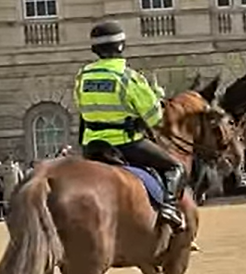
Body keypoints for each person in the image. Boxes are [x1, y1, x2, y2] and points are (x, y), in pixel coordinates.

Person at [76, 20, 186, 228]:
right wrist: (156, 96)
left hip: (91, 146)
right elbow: (155, 118)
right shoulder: (128, 78)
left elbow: (82, 106)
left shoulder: (83, 76)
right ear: (121, 46)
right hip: (125, 145)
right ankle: (169, 207)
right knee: (175, 167)